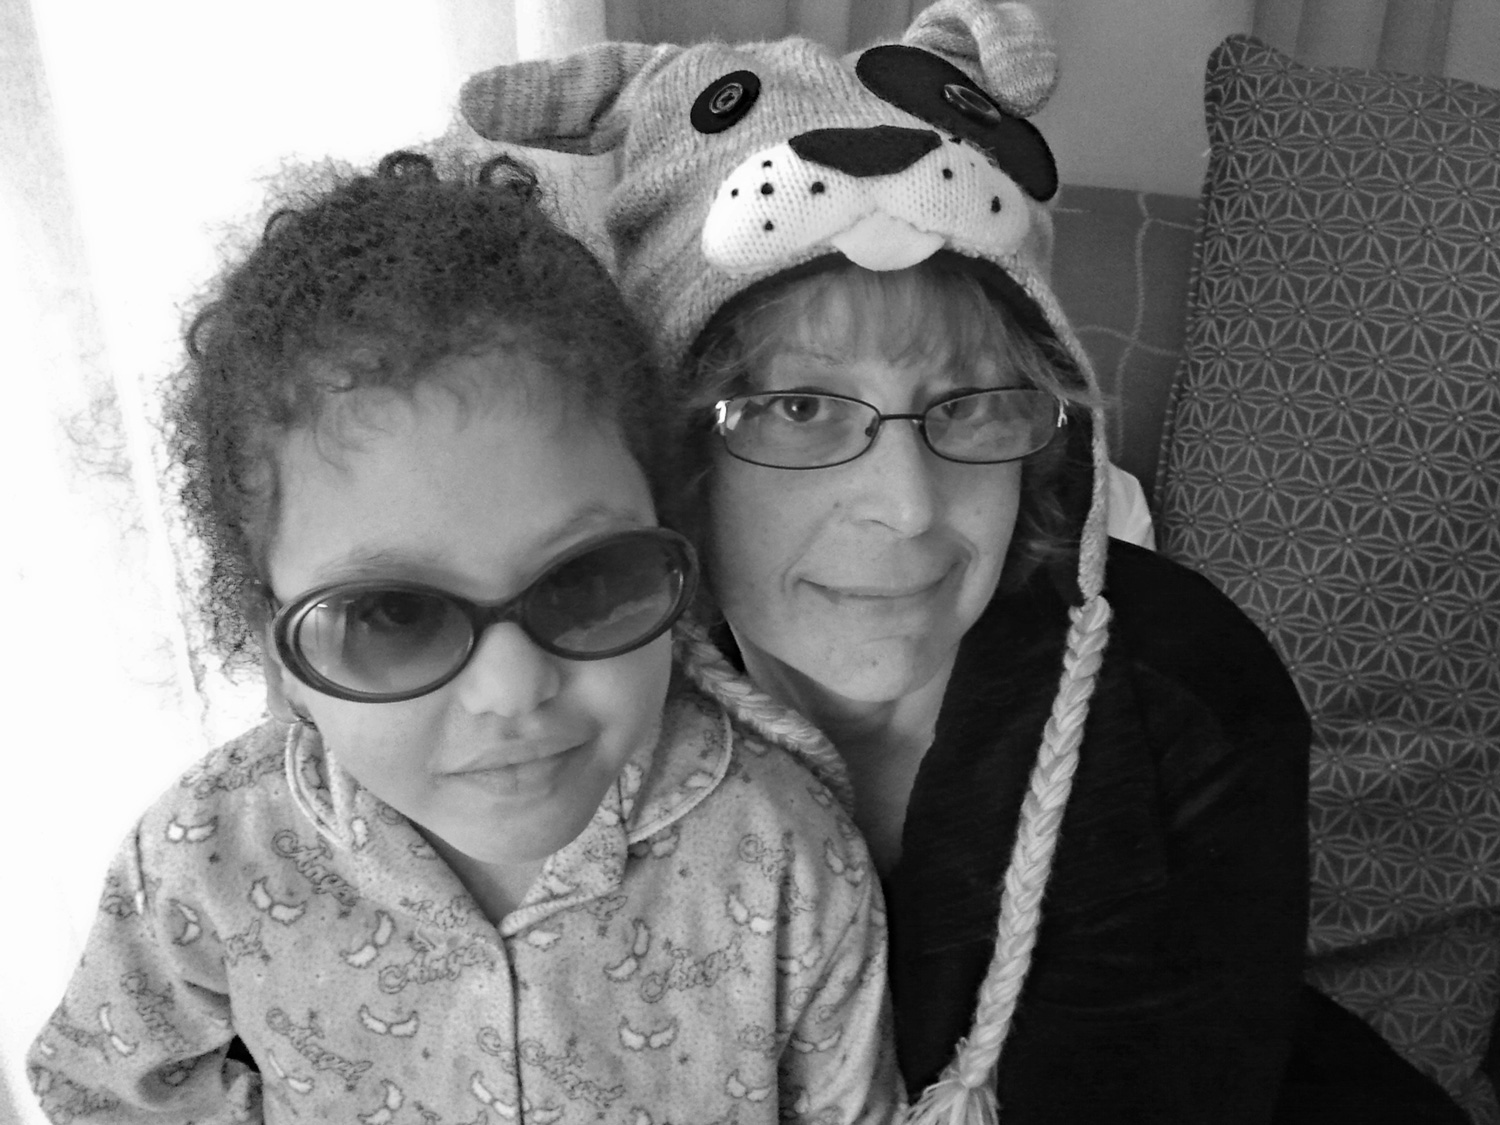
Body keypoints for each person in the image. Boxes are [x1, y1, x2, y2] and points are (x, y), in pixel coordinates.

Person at [460, 1, 1469, 1122]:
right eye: (800, 407)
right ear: (674, 444)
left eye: (971, 404)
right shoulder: (581, 705)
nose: (907, 507)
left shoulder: (1180, 705)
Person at [26, 151, 899, 1125]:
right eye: (391, 616)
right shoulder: (205, 855)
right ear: (280, 662)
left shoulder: (786, 856)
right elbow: (102, 1087)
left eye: (587, 581)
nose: (514, 688)